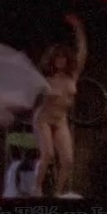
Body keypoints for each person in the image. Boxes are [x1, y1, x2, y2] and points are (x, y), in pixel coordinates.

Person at [34, 14, 87, 198]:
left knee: (68, 160)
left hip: (61, 120)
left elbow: (82, 51)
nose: (61, 61)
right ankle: (36, 188)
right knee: (48, 154)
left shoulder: (72, 75)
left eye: (63, 58)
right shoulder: (46, 78)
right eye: (57, 58)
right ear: (52, 60)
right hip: (43, 119)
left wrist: (79, 29)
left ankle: (57, 193)